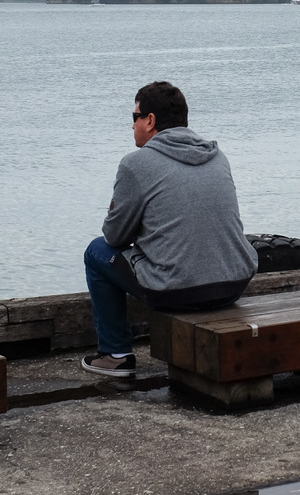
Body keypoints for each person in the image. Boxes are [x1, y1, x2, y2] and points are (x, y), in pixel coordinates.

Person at [81, 81, 258, 377]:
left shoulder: (136, 164)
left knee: (96, 251)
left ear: (150, 120)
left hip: (177, 291)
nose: (132, 125)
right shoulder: (218, 156)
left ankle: (116, 354)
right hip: (233, 284)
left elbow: (115, 236)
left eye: (135, 117)